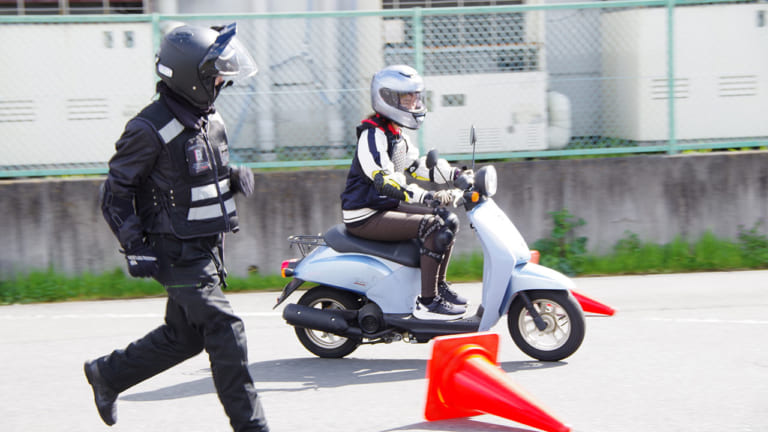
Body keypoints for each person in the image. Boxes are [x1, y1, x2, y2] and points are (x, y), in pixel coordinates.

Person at [83, 23, 269, 432]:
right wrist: (133, 244)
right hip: (174, 251)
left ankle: (107, 375)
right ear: (190, 76)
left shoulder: (206, 117)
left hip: (202, 248)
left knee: (184, 337)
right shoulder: (148, 128)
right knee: (225, 328)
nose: (220, 80)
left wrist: (232, 179)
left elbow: (192, 177)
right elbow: (114, 192)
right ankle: (252, 427)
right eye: (213, 73)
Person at [340, 64, 468, 320]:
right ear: (387, 98)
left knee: (447, 220)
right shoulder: (372, 135)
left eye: (415, 96)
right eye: (407, 97)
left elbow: (418, 165)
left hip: (384, 206)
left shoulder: (394, 133)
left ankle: (438, 286)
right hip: (365, 214)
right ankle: (428, 302)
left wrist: (456, 177)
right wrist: (426, 196)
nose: (413, 102)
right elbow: (384, 181)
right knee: (432, 225)